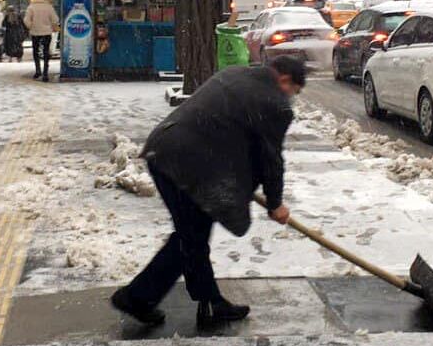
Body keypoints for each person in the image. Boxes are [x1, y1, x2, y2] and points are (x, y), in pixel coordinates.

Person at [111, 56, 304, 329]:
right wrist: (276, 204)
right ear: (284, 80)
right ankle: (139, 298)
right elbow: (271, 158)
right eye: (293, 91)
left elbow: (228, 128)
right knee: (191, 238)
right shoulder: (274, 103)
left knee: (191, 237)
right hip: (190, 167)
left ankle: (205, 302)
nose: (291, 98)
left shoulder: (235, 74)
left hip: (164, 149)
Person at [23, 0, 59, 82]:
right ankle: (45, 73)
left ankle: (38, 70)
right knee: (46, 52)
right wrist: (51, 25)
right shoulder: (49, 7)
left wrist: (31, 26)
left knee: (36, 51)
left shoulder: (31, 7)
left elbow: (26, 20)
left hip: (35, 32)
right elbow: (55, 19)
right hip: (47, 32)